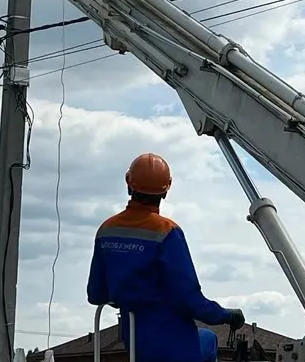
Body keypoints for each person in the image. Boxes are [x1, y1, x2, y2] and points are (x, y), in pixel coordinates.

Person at [87, 153, 245, 362]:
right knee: (208, 340)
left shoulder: (106, 230)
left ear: (129, 183)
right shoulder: (167, 232)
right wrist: (225, 315)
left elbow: (96, 294)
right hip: (174, 346)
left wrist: (127, 296)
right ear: (166, 190)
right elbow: (190, 300)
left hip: (135, 342)